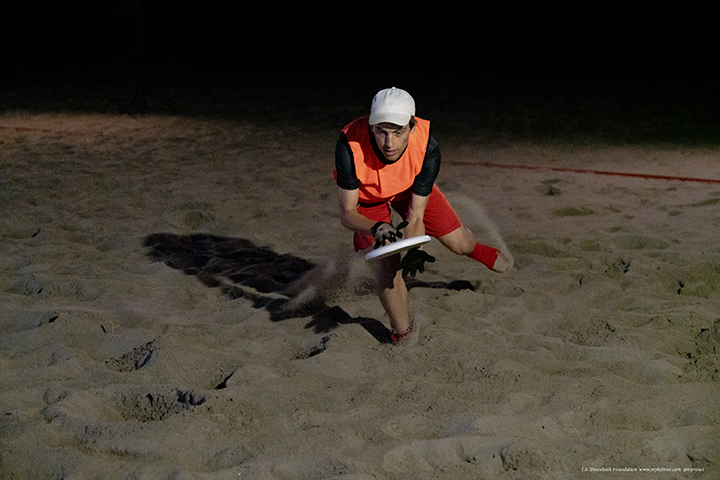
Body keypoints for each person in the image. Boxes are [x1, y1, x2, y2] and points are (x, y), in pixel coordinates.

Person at [334, 87, 511, 344]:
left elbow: (415, 217)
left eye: (398, 132)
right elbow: (347, 214)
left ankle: (476, 249)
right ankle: (402, 334)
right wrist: (377, 227)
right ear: (370, 126)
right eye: (381, 131)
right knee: (387, 261)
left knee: (459, 244)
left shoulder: (427, 148)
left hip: (407, 188)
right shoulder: (349, 145)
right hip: (367, 198)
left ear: (412, 126)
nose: (389, 143)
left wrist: (415, 248)